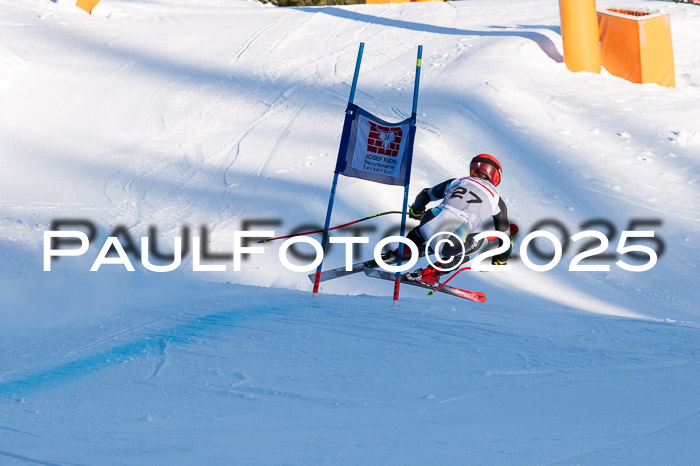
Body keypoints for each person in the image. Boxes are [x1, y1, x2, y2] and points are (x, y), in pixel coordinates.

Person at [391, 153, 513, 286]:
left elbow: (425, 194)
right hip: (452, 243)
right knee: (484, 240)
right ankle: (431, 274)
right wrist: (501, 259)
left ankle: (406, 249)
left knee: (430, 220)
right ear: (495, 176)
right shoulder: (496, 200)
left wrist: (416, 210)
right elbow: (504, 236)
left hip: (427, 224)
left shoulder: (458, 181)